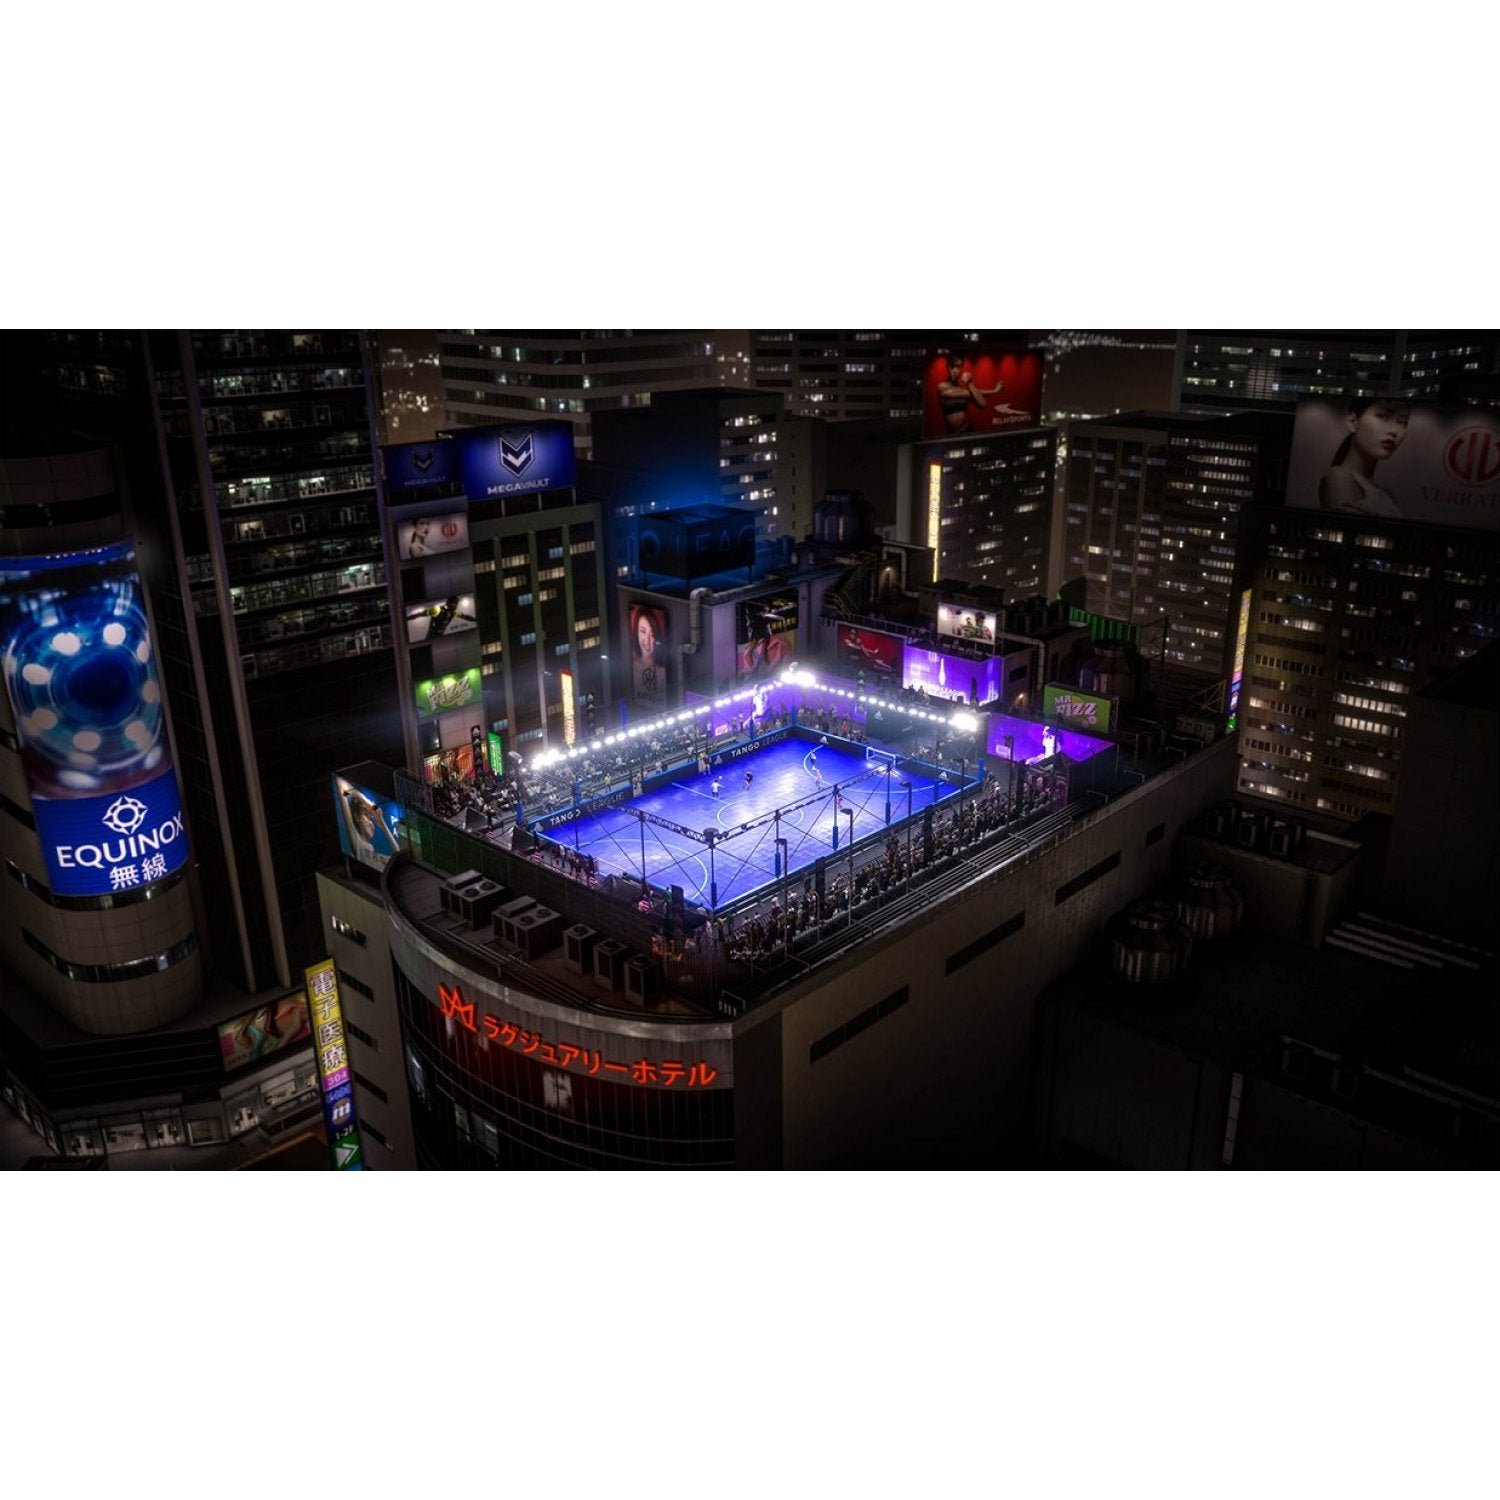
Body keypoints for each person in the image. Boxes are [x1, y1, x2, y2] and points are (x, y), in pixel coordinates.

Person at [1318, 399, 1410, 516]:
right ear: (1352, 421)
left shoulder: (1384, 493)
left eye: (1402, 422)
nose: (1394, 431)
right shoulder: (1339, 477)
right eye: (1383, 417)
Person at [936, 354, 1005, 434]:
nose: (955, 371)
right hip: (953, 434)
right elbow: (970, 393)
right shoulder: (942, 386)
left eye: (958, 367)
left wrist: (970, 383)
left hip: (968, 430)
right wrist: (992, 391)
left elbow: (982, 404)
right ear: (947, 367)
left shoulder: (963, 389)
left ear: (961, 369)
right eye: (952, 367)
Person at [631, 604, 666, 705]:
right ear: (636, 633)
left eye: (652, 634)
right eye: (643, 632)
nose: (647, 640)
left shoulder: (663, 672)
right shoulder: (631, 667)